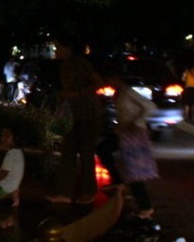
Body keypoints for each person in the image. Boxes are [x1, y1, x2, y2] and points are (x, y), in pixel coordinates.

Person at [47, 36, 105, 205]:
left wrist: (77, 94)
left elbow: (98, 83)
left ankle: (89, 191)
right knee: (68, 152)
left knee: (86, 153)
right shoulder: (64, 66)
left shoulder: (80, 63)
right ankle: (65, 193)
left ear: (68, 48)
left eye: (58, 48)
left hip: (88, 114)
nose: (56, 51)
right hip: (73, 114)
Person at [102, 68, 159, 219]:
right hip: (124, 133)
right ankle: (118, 181)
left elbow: (150, 106)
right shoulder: (118, 93)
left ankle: (146, 206)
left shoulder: (127, 92)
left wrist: (137, 122)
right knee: (103, 150)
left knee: (134, 172)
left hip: (134, 135)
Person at [0, 124, 25, 209]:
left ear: (15, 139)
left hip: (4, 188)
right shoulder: (19, 152)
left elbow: (3, 174)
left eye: (7, 137)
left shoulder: (11, 154)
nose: (3, 139)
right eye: (2, 136)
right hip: (13, 187)